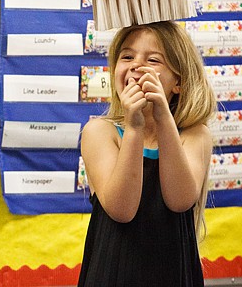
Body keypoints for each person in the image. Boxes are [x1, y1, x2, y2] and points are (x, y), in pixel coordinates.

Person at [78, 21, 216, 287]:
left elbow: (180, 200)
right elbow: (121, 209)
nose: (136, 66)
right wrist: (134, 127)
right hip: (111, 274)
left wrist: (163, 118)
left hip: (174, 275)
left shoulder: (195, 135)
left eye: (153, 60)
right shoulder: (99, 133)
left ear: (178, 82)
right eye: (127, 56)